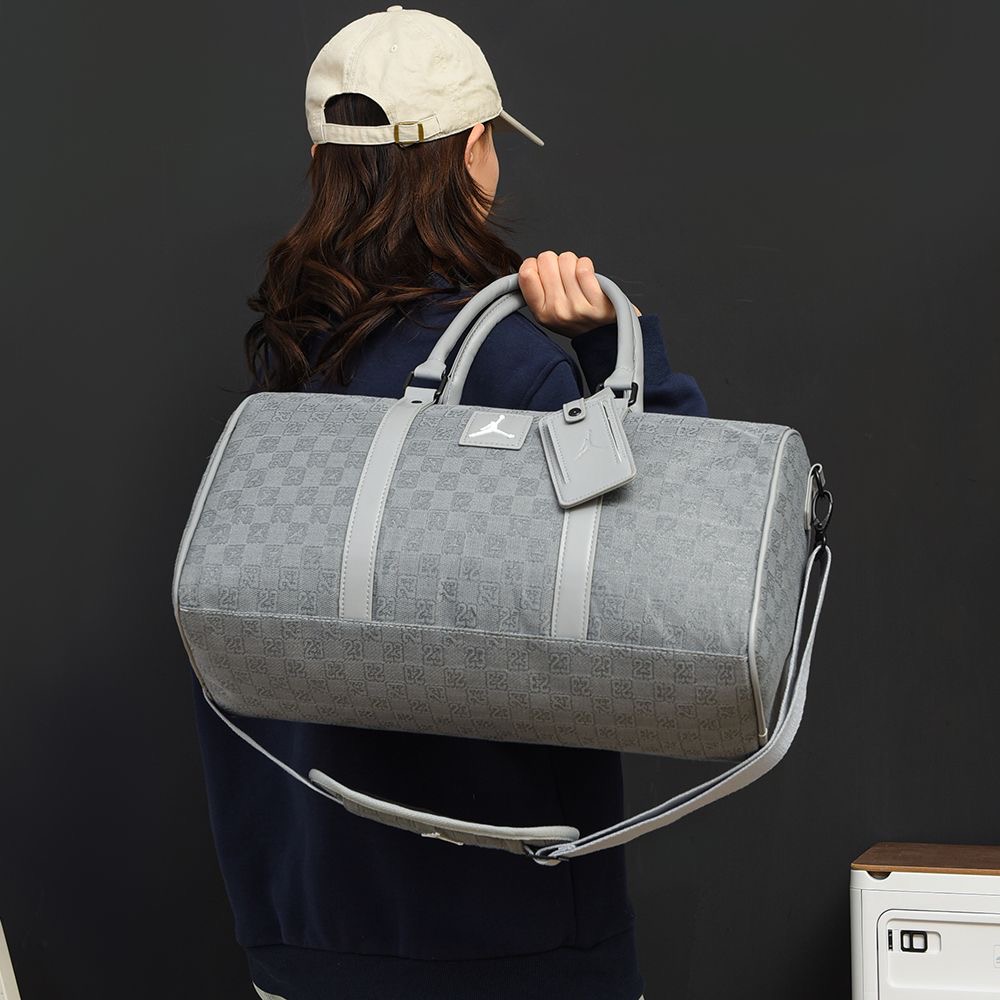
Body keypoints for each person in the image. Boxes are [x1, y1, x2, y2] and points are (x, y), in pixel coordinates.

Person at [190, 7, 708, 999]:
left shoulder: (288, 367)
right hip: (502, 936)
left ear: (321, 159)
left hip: (304, 925)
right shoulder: (511, 366)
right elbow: (677, 566)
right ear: (474, 152)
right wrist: (617, 343)